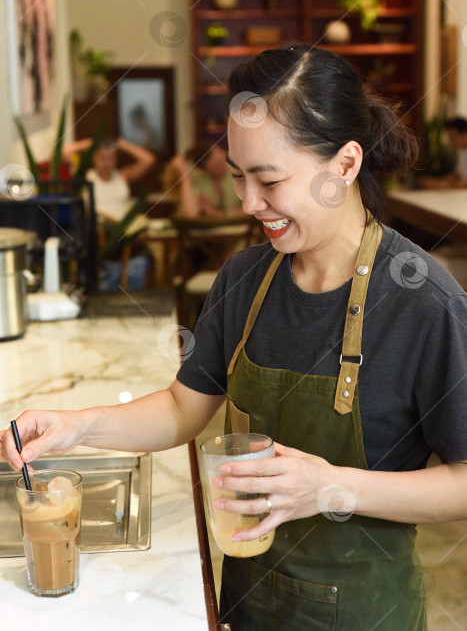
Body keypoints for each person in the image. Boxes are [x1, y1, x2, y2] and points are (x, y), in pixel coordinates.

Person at [2, 44, 467, 630]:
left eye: (269, 180)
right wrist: (80, 426)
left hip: (365, 613)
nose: (249, 203)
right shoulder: (245, 279)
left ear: (345, 165)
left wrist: (330, 488)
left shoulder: (424, 301)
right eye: (239, 176)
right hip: (248, 602)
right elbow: (182, 408)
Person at [62, 136, 156, 221]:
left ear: (116, 160)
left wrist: (124, 145)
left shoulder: (123, 176)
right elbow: (64, 151)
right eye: (102, 157)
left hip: (122, 233)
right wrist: (90, 143)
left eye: (110, 158)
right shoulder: (86, 176)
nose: (106, 162)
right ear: (94, 157)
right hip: (97, 233)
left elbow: (148, 160)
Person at [166, 141, 243, 218]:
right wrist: (184, 175)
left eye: (223, 159)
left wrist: (216, 213)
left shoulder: (238, 173)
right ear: (204, 170)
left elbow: (250, 212)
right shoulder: (200, 180)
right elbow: (191, 213)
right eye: (216, 166)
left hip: (241, 226)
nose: (224, 166)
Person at [418, 115, 467, 190]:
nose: (450, 141)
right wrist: (435, 182)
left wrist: (442, 186)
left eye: (452, 136)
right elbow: (457, 175)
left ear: (464, 133)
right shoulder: (463, 151)